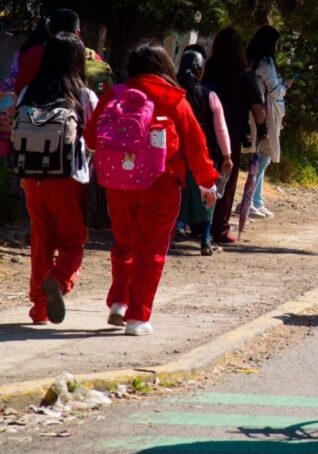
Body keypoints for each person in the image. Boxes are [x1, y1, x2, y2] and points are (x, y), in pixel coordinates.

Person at [84, 42, 219, 335]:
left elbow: (92, 138)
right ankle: (138, 317)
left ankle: (119, 302)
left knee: (124, 243)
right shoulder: (174, 98)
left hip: (118, 183)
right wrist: (207, 182)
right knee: (152, 249)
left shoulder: (114, 95)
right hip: (161, 182)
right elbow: (196, 144)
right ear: (165, 66)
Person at [16, 32, 98, 324]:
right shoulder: (83, 95)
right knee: (73, 241)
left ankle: (39, 308)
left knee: (41, 241)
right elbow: (96, 138)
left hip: (32, 179)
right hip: (68, 179)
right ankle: (59, 280)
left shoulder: (29, 92)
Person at [203, 28, 266, 243]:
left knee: (204, 177)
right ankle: (219, 228)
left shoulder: (209, 69)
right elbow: (258, 109)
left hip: (207, 133)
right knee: (226, 183)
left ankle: (199, 225)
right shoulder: (245, 74)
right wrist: (262, 129)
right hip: (233, 135)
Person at [176, 48, 233, 255]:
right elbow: (221, 128)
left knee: (178, 193)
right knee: (208, 194)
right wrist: (227, 156)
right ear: (201, 72)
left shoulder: (173, 93)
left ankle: (175, 230)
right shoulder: (210, 96)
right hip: (205, 155)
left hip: (176, 155)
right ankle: (206, 239)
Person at [242, 25, 292, 219]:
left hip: (255, 112)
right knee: (262, 156)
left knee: (262, 156)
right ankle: (251, 201)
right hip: (265, 114)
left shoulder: (251, 60)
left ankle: (256, 200)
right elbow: (276, 90)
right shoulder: (265, 63)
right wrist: (286, 86)